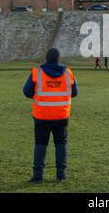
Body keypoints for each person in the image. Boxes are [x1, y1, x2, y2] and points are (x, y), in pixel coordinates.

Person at [23, 48, 78, 183]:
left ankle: (37, 176)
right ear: (59, 58)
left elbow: (26, 91)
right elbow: (75, 92)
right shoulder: (68, 73)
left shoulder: (37, 72)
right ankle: (61, 174)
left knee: (40, 145)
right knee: (61, 145)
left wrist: (41, 96)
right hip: (61, 115)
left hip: (42, 116)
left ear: (46, 58)